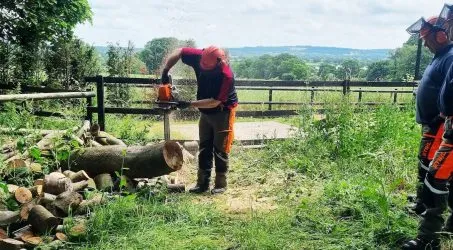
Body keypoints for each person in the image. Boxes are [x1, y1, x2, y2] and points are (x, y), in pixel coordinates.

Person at [403, 8, 453, 250]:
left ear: (441, 36)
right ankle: (434, 216)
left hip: (442, 126)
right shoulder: (440, 57)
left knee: (436, 176)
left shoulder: (450, 56)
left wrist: (440, 119)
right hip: (438, 124)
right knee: (430, 170)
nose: (427, 44)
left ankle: (429, 238)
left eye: (428, 39)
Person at [160, 46, 238, 194]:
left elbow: (215, 101)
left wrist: (189, 104)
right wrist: (166, 70)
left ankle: (221, 184)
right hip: (205, 112)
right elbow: (179, 51)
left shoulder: (226, 75)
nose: (203, 69)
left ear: (218, 63)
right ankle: (202, 183)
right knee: (204, 147)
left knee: (220, 149)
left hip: (223, 112)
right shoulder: (199, 56)